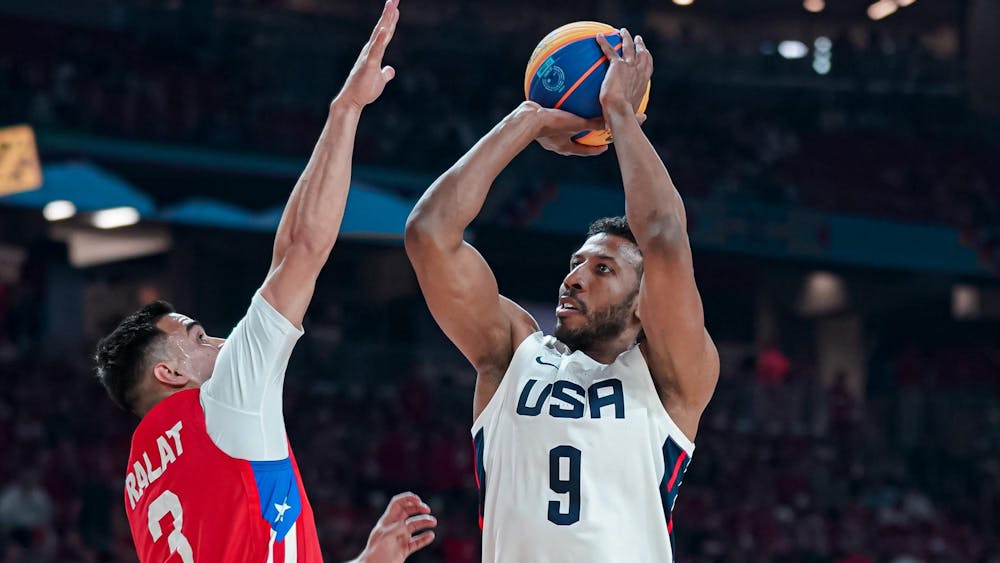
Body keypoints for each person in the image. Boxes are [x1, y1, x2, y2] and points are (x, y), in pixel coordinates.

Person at [93, 1, 436, 561]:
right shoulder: (223, 399)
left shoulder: (139, 479)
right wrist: (346, 110)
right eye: (198, 336)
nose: (220, 340)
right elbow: (299, 249)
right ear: (170, 371)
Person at [404, 29, 718, 562]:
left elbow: (664, 237)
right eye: (575, 264)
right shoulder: (512, 353)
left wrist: (619, 112)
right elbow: (428, 234)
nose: (574, 279)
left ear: (645, 302)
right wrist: (528, 120)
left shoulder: (672, 383)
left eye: (602, 269)